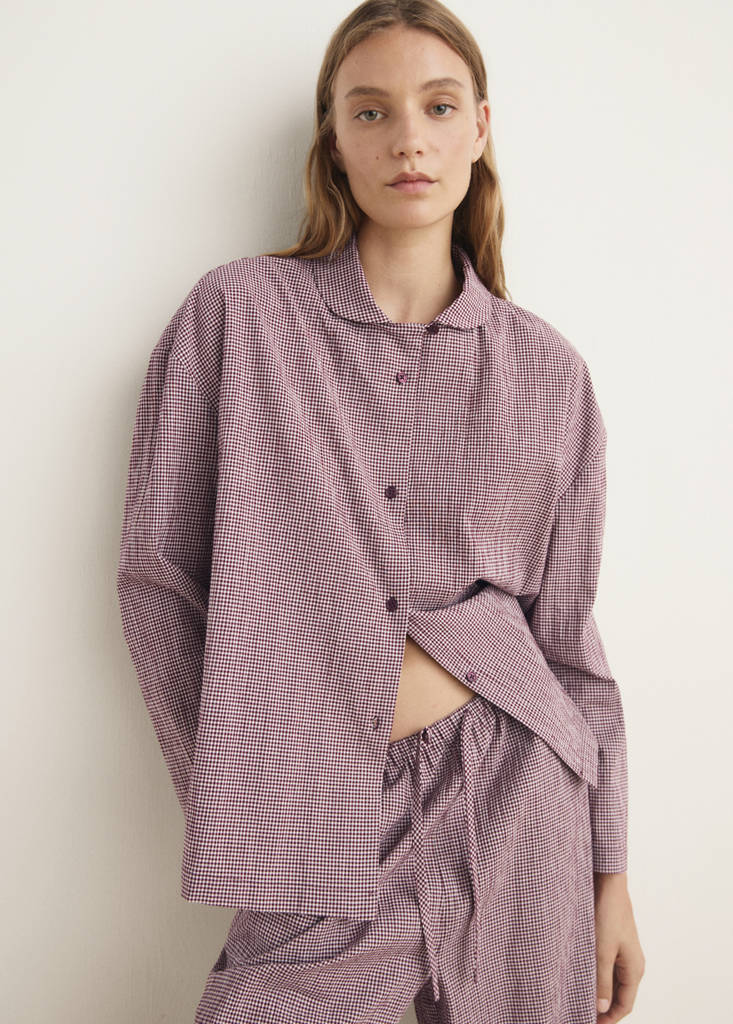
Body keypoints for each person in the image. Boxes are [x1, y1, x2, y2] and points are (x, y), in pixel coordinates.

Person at [116, 1, 646, 1021]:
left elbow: (570, 645)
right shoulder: (238, 316)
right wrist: (247, 788)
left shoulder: (549, 373)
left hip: (522, 795)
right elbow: (158, 576)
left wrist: (610, 876)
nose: (408, 138)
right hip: (311, 805)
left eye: (437, 106)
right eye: (371, 111)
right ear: (334, 139)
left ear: (478, 129)